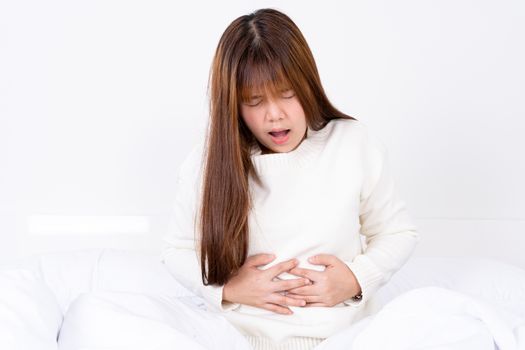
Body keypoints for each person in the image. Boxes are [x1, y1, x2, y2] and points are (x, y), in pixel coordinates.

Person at [161, 8, 419, 350]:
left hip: (347, 337)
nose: (274, 114)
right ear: (234, 106)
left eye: (286, 94)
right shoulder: (208, 162)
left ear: (307, 84)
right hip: (238, 339)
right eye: (254, 101)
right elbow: (177, 250)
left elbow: (396, 232)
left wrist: (356, 278)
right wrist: (230, 289)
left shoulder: (353, 143)